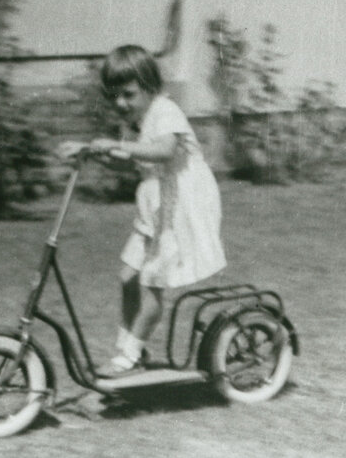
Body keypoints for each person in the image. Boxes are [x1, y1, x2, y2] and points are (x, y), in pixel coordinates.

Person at [62, 44, 226, 377]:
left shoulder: (166, 111)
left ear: (150, 87)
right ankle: (130, 349)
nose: (121, 103)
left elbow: (164, 151)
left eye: (129, 94)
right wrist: (93, 153)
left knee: (152, 283)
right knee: (128, 276)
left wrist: (117, 145)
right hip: (154, 207)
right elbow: (133, 163)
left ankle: (128, 355)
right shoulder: (133, 122)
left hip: (180, 206)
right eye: (114, 96)